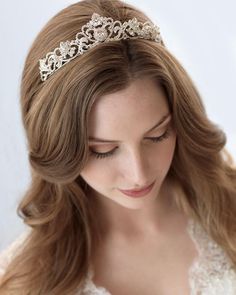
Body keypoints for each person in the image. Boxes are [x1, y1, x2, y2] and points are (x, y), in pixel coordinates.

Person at [0, 0, 236, 294]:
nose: (138, 173)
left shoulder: (230, 205)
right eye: (103, 150)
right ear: (60, 148)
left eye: (157, 135)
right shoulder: (25, 280)